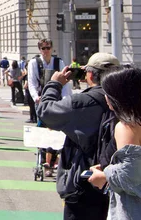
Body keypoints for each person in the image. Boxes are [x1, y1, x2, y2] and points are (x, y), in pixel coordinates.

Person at [37, 52, 120, 220]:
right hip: (117, 183)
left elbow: (45, 112)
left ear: (89, 74)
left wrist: (55, 84)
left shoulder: (82, 102)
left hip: (85, 184)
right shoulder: (126, 100)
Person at [88, 67, 141, 219]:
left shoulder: (125, 127)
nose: (105, 98)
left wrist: (104, 176)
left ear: (118, 96)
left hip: (134, 210)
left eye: (107, 93)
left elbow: (129, 173)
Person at [27, 39, 72, 173]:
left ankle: (56, 160)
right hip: (42, 100)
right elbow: (32, 82)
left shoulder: (59, 62)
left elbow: (65, 83)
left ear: (52, 49)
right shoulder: (34, 63)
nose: (46, 51)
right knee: (43, 129)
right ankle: (44, 161)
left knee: (58, 129)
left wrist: (65, 99)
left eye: (48, 48)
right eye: (43, 48)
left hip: (57, 100)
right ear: (40, 49)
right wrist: (36, 97)